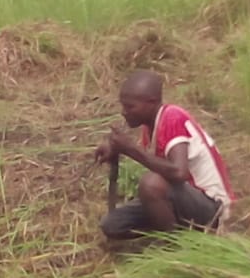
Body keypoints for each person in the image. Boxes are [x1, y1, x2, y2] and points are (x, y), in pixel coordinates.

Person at [94, 70, 234, 241]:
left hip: (211, 207)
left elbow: (178, 172)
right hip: (184, 202)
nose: (124, 112)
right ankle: (180, 232)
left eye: (130, 106)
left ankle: (175, 247)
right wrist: (117, 149)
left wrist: (130, 149)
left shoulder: (173, 118)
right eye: (123, 106)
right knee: (113, 225)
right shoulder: (150, 127)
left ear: (151, 103)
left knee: (151, 184)